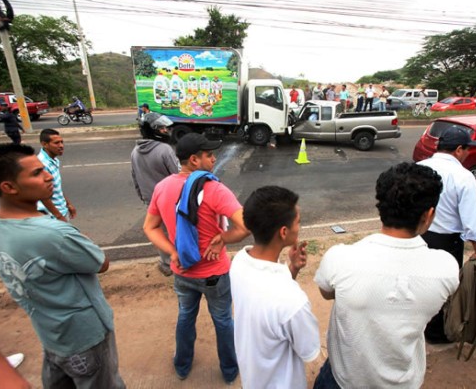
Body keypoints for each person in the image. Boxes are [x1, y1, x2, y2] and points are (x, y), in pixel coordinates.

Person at [0, 143, 125, 389]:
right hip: (85, 336)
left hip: (50, 333)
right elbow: (101, 263)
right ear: (8, 187)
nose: (48, 176)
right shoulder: (53, 234)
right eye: (36, 173)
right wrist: (70, 229)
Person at [313, 162, 459, 388]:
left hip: (342, 379)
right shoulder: (446, 268)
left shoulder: (340, 258)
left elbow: (326, 292)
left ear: (380, 207)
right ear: (429, 215)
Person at [143, 132, 250, 384]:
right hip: (214, 272)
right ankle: (229, 369)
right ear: (194, 159)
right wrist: (223, 238)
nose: (214, 158)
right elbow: (245, 226)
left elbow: (150, 227)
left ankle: (182, 365)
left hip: (182, 271)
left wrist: (172, 252)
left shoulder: (162, 187)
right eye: (209, 155)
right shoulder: (214, 189)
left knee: (185, 316)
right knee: (223, 320)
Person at [230, 186, 320, 389]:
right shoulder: (292, 301)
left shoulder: (240, 262)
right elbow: (309, 350)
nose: (299, 227)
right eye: (298, 222)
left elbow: (268, 295)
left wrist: (292, 269)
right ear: (284, 232)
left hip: (252, 379)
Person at [417, 125, 476, 343]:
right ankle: (436, 332)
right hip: (446, 241)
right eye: (467, 149)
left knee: (418, 282)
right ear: (458, 149)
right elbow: (472, 220)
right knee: (443, 288)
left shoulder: (419, 167)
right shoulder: (463, 177)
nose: (467, 153)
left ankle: (418, 325)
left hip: (418, 235)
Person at [131, 113, 181, 276]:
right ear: (154, 130)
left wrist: (143, 197)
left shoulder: (135, 151)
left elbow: (135, 177)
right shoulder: (164, 150)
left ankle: (166, 263)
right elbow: (178, 174)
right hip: (168, 200)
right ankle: (177, 262)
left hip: (150, 200)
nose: (166, 130)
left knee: (158, 232)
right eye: (162, 128)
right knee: (174, 232)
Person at [37, 129, 76, 222]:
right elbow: (43, 195)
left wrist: (68, 204)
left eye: (62, 142)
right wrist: (59, 217)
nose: (61, 146)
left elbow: (56, 186)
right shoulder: (42, 164)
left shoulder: (53, 160)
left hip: (61, 211)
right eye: (56, 143)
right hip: (51, 216)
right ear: (44, 144)